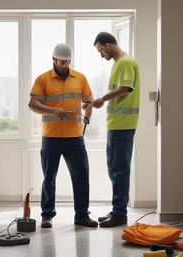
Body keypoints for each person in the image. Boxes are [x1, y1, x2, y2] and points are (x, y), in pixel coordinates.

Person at [28, 43, 98, 228]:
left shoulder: (80, 78)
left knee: (82, 176)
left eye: (67, 62)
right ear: (53, 60)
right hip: (51, 138)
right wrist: (53, 110)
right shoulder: (43, 79)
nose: (65, 65)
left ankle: (82, 215)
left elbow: (90, 101)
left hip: (75, 138)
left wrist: (88, 111)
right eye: (61, 62)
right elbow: (32, 104)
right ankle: (47, 215)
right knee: (49, 177)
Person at [90, 32, 140, 227]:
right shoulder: (118, 64)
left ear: (108, 45)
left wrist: (102, 99)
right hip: (116, 124)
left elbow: (125, 88)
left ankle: (120, 214)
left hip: (123, 125)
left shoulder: (126, 62)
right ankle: (117, 209)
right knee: (114, 169)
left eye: (101, 50)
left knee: (120, 170)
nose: (101, 55)